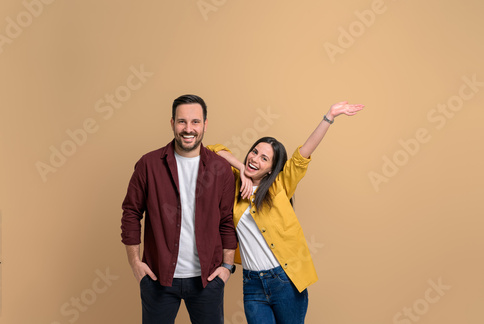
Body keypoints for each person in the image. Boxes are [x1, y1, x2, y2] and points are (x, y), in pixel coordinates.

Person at [207, 101, 364, 324]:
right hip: (252, 284)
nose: (254, 159)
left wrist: (329, 116)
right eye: (254, 152)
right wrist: (240, 168)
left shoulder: (280, 186)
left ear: (271, 168)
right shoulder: (233, 183)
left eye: (264, 158)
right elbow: (212, 149)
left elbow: (303, 154)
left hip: (285, 281)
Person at [121, 94, 238, 324]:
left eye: (195, 122)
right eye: (182, 121)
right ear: (172, 123)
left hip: (208, 279)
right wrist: (135, 264)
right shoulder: (149, 164)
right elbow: (131, 213)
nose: (188, 128)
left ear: (205, 124)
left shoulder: (220, 168)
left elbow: (226, 221)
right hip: (157, 279)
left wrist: (227, 267)